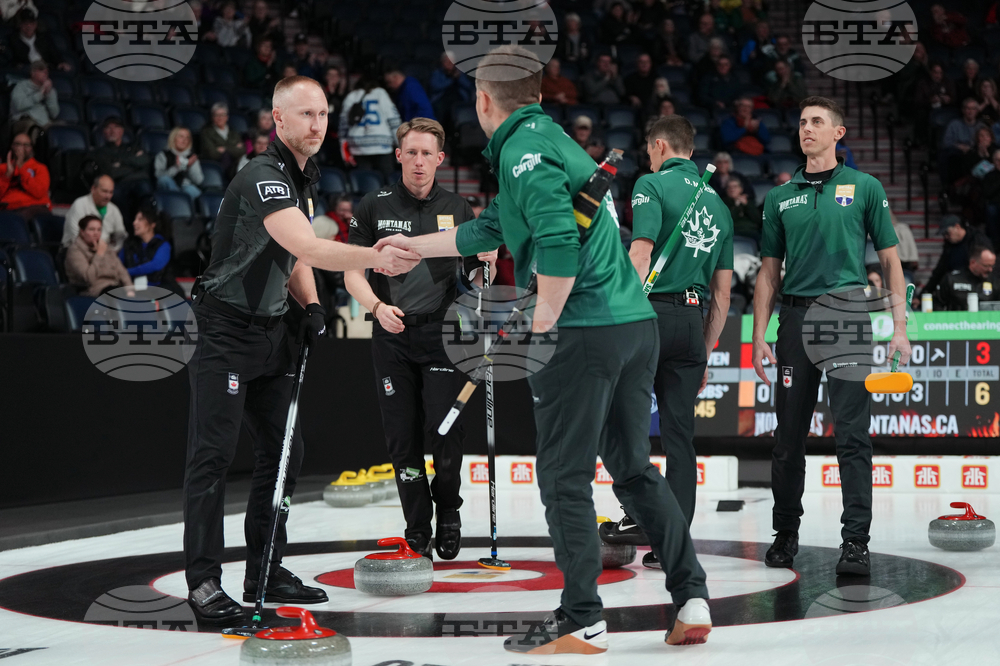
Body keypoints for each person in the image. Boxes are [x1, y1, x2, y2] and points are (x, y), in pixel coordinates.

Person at [375, 44, 712, 656]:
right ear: (537, 93)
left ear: (482, 100)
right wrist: (415, 248)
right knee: (632, 467)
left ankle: (581, 615)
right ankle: (691, 596)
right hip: (634, 324)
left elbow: (557, 239)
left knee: (563, 476)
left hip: (582, 330)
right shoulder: (550, 143)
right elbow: (496, 229)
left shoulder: (524, 154)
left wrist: (543, 322)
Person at [183, 76, 420, 626]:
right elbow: (306, 243)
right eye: (305, 114)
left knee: (285, 451)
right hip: (224, 331)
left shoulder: (302, 175)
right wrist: (373, 258)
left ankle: (264, 568)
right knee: (211, 461)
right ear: (278, 118)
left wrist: (311, 305)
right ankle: (203, 584)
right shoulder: (264, 176)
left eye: (323, 113)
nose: (317, 124)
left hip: (273, 331)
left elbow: (297, 261)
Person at [752, 96, 910, 577]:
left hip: (847, 316)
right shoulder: (780, 197)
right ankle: (785, 534)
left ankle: (855, 543)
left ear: (838, 133)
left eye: (817, 122)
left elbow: (890, 260)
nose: (807, 129)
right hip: (795, 322)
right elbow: (767, 273)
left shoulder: (864, 187)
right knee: (788, 439)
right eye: (802, 122)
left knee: (852, 437)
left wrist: (900, 327)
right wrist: (760, 333)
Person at [345, 118, 494, 560]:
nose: (419, 161)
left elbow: (475, 276)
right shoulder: (373, 204)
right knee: (401, 438)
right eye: (411, 152)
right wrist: (375, 306)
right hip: (390, 333)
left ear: (440, 159)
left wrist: (484, 265)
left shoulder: (458, 207)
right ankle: (417, 525)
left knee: (445, 432)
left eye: (427, 153)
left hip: (444, 335)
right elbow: (352, 271)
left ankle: (448, 508)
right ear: (398, 156)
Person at [608, 115, 733, 567]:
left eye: (647, 147)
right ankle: (674, 544)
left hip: (650, 314)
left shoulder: (650, 184)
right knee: (680, 438)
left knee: (626, 424)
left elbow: (640, 252)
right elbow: (723, 290)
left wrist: (621, 312)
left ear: (659, 146)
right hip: (693, 323)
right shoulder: (718, 204)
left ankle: (636, 514)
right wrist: (706, 347)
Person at [339, 72, 402, 179]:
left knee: (366, 183)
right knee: (386, 183)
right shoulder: (381, 93)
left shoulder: (352, 96)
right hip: (382, 146)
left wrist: (343, 147)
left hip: (358, 146)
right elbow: (394, 121)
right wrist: (401, 145)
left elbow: (343, 125)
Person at [90, 116, 152, 220]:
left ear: (122, 131)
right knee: (116, 195)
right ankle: (125, 229)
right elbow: (111, 172)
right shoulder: (100, 152)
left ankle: (146, 227)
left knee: (146, 189)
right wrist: (134, 166)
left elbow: (145, 161)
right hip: (118, 183)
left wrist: (121, 162)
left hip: (138, 181)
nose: (112, 131)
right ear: (103, 132)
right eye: (108, 128)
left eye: (116, 127)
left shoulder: (132, 147)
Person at [118, 199, 181, 295]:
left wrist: (127, 272)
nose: (134, 223)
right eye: (135, 219)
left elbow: (155, 265)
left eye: (140, 219)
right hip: (132, 286)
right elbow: (118, 264)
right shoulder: (129, 244)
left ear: (152, 224)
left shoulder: (163, 244)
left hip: (159, 287)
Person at [920, 215, 992, 298]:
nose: (945, 236)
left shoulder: (978, 240)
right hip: (955, 287)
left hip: (979, 285)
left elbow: (988, 266)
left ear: (957, 227)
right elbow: (939, 271)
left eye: (947, 233)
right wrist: (924, 293)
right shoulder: (949, 245)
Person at [65, 215, 134, 297]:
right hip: (93, 290)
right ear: (82, 232)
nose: (96, 233)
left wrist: (130, 290)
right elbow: (88, 278)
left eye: (99, 230)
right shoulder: (75, 251)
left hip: (115, 286)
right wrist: (99, 254)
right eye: (92, 229)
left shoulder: (106, 248)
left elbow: (122, 272)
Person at [62, 174, 126, 250]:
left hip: (105, 253)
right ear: (93, 189)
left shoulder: (114, 209)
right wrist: (98, 250)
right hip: (76, 251)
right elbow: (74, 236)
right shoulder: (80, 204)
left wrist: (112, 251)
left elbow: (121, 236)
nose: (107, 196)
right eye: (104, 191)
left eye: (110, 192)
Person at [0, 132, 50, 220]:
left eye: (26, 145)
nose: (21, 148)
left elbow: (39, 192)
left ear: (31, 148)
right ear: (12, 146)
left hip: (33, 207)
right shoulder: (3, 168)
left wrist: (21, 169)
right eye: (18, 144)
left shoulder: (40, 168)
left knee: (17, 220)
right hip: (7, 208)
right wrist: (7, 176)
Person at [935, 245, 998, 310]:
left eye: (992, 266)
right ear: (973, 262)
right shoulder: (952, 279)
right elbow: (937, 304)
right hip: (957, 319)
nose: (990, 269)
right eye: (986, 266)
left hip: (986, 319)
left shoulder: (994, 281)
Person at [8, 60, 58, 137]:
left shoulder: (50, 90)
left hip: (44, 123)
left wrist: (48, 95)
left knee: (62, 128)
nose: (45, 72)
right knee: (34, 129)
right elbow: (19, 106)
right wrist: (40, 95)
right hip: (23, 121)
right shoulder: (21, 86)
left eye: (46, 70)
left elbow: (54, 114)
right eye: (41, 69)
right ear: (33, 73)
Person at [154, 127, 204, 200]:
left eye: (187, 137)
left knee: (193, 191)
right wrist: (176, 168)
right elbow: (158, 176)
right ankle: (178, 198)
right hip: (168, 187)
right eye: (181, 136)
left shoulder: (192, 158)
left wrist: (189, 166)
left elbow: (199, 180)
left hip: (185, 186)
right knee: (165, 180)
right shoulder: (163, 155)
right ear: (173, 138)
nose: (184, 140)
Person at [200, 103, 246, 178]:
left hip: (235, 167)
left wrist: (224, 149)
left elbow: (242, 150)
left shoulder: (233, 132)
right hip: (216, 167)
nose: (220, 118)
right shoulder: (206, 132)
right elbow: (212, 153)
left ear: (227, 117)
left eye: (222, 115)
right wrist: (234, 148)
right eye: (216, 115)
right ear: (212, 117)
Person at [429, 51, 475, 121]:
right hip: (442, 99)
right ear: (443, 63)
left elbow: (468, 86)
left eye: (452, 62)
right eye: (447, 61)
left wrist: (459, 78)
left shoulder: (459, 73)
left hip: (458, 98)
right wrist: (452, 79)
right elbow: (436, 87)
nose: (450, 64)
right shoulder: (437, 73)